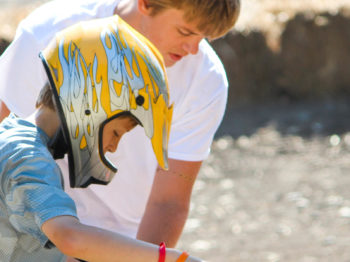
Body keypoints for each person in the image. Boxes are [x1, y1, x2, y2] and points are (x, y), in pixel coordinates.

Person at [0, 0, 240, 249]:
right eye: (186, 31)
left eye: (206, 37)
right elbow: (68, 238)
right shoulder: (49, 35)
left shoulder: (205, 79)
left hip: (118, 243)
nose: (193, 48)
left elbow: (169, 202)